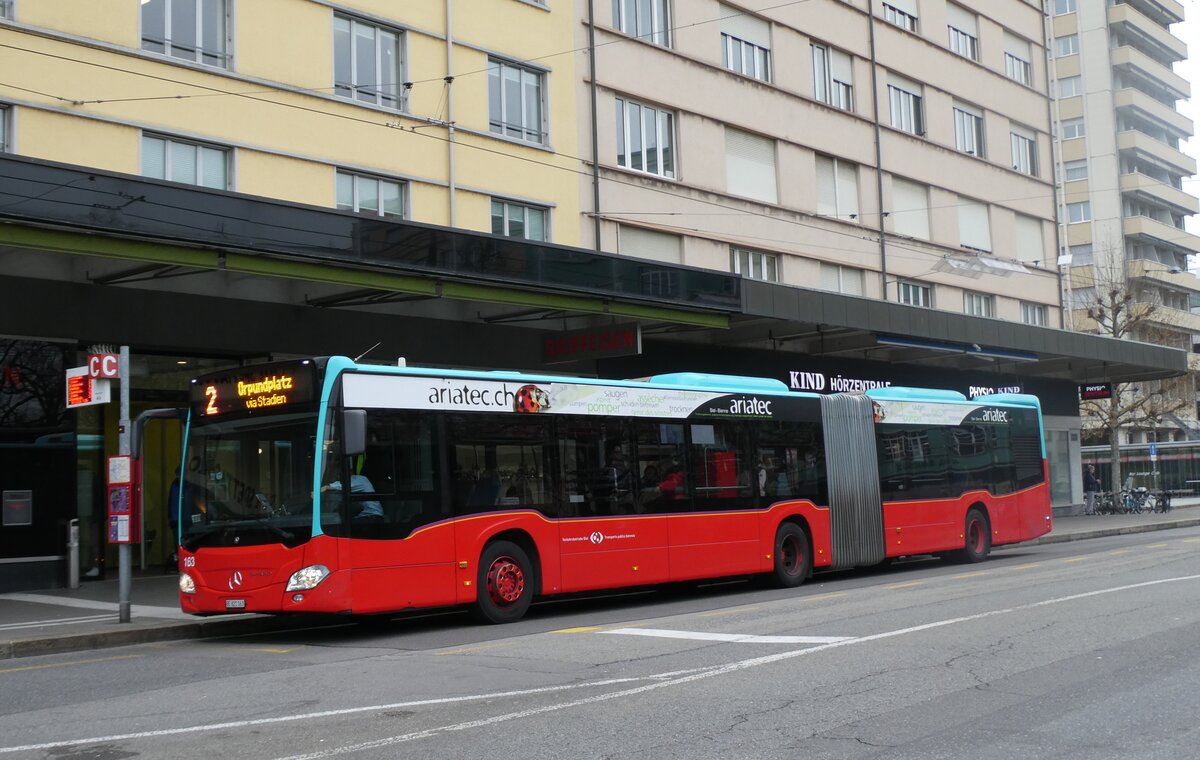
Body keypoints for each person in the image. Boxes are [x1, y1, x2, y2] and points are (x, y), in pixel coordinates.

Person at [323, 455, 383, 521]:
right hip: (364, 516)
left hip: (373, 516)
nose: (338, 476)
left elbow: (344, 485)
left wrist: (326, 487)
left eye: (339, 474)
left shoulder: (360, 479)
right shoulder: (352, 481)